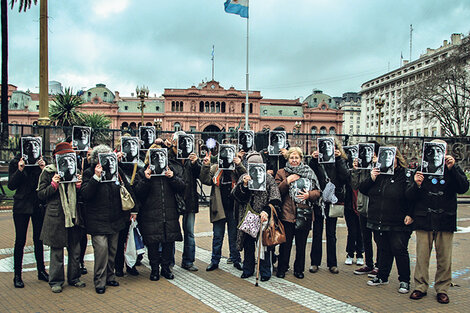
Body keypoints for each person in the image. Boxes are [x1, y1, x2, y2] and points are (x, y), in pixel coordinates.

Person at [407, 140, 469, 304]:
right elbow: (408, 196)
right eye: (432, 150)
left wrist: (453, 168)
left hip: (445, 219)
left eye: (439, 150)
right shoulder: (420, 169)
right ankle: (420, 286)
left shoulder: (451, 168)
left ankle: (442, 289)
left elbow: (463, 187)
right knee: (422, 256)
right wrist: (416, 184)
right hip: (424, 218)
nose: (435, 154)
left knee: (444, 258)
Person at [359, 148, 414, 294]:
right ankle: (382, 276)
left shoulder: (405, 174)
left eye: (391, 156)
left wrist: (410, 213)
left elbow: (411, 196)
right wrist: (371, 178)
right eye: (384, 156)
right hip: (379, 218)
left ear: (397, 158)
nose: (387, 159)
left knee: (399, 249)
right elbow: (363, 189)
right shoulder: (379, 173)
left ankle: (404, 280)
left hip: (398, 219)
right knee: (383, 249)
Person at [80, 145, 130, 294]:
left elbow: (127, 187)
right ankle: (99, 281)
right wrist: (96, 177)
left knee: (112, 250)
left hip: (114, 218)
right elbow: (85, 194)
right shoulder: (89, 173)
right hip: (97, 220)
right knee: (101, 250)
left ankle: (110, 276)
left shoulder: (115, 172)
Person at [37, 142, 86, 293]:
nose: (68, 160)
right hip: (56, 216)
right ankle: (56, 281)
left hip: (73, 215)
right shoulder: (48, 171)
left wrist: (78, 186)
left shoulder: (74, 171)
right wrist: (53, 185)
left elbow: (82, 195)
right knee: (57, 251)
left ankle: (74, 277)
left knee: (75, 250)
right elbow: (40, 194)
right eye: (65, 157)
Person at [134, 143, 185, 281]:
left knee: (169, 242)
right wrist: (146, 179)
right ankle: (154, 269)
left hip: (169, 213)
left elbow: (182, 187)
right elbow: (138, 192)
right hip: (150, 214)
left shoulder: (170, 170)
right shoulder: (143, 171)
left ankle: (166, 268)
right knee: (153, 243)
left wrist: (172, 177)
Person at [232, 152, 282, 281]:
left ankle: (264, 271)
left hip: (263, 217)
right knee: (248, 245)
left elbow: (275, 197)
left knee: (263, 245)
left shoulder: (268, 178)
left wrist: (267, 210)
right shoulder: (244, 176)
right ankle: (247, 269)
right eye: (252, 164)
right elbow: (237, 197)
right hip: (248, 216)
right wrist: (244, 185)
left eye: (258, 164)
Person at [8, 137, 49, 288]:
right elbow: (11, 185)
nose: (32, 149)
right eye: (29, 146)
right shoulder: (16, 162)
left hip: (37, 204)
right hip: (21, 206)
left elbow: (45, 183)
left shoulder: (40, 163)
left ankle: (41, 270)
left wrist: (43, 169)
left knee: (39, 239)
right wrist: (20, 169)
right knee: (20, 241)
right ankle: (17, 275)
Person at [275, 147, 321, 279]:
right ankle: (282, 268)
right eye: (291, 158)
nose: (294, 160)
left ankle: (299, 269)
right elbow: (276, 191)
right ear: (287, 159)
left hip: (304, 213)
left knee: (301, 245)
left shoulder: (308, 171)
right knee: (285, 244)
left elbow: (318, 191)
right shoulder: (282, 172)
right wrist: (287, 181)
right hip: (287, 213)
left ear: (301, 159)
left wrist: (309, 195)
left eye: (296, 158)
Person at [308, 137, 350, 274]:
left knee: (331, 233)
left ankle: (332, 263)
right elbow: (310, 174)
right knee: (317, 232)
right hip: (319, 199)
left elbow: (345, 177)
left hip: (333, 199)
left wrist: (338, 159)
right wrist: (313, 159)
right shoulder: (318, 160)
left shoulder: (339, 160)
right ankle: (315, 262)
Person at [200, 151, 245, 272]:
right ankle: (215, 261)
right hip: (219, 207)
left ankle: (236, 259)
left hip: (233, 208)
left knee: (233, 236)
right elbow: (205, 180)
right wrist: (205, 165)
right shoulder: (216, 168)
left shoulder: (235, 169)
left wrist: (239, 164)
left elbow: (246, 176)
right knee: (217, 236)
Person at [169, 131, 201, 271]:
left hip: (189, 199)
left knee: (189, 232)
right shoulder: (168, 157)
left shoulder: (190, 158)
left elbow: (200, 175)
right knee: (171, 232)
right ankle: (169, 261)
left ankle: (188, 261)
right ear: (174, 142)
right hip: (173, 199)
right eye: (180, 141)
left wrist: (195, 163)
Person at [351, 141, 380, 277]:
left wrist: (377, 164)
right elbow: (355, 185)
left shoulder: (383, 166)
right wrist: (356, 171)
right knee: (366, 237)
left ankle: (379, 265)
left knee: (379, 239)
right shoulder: (362, 168)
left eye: (372, 152)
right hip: (363, 207)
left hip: (378, 208)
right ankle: (369, 264)